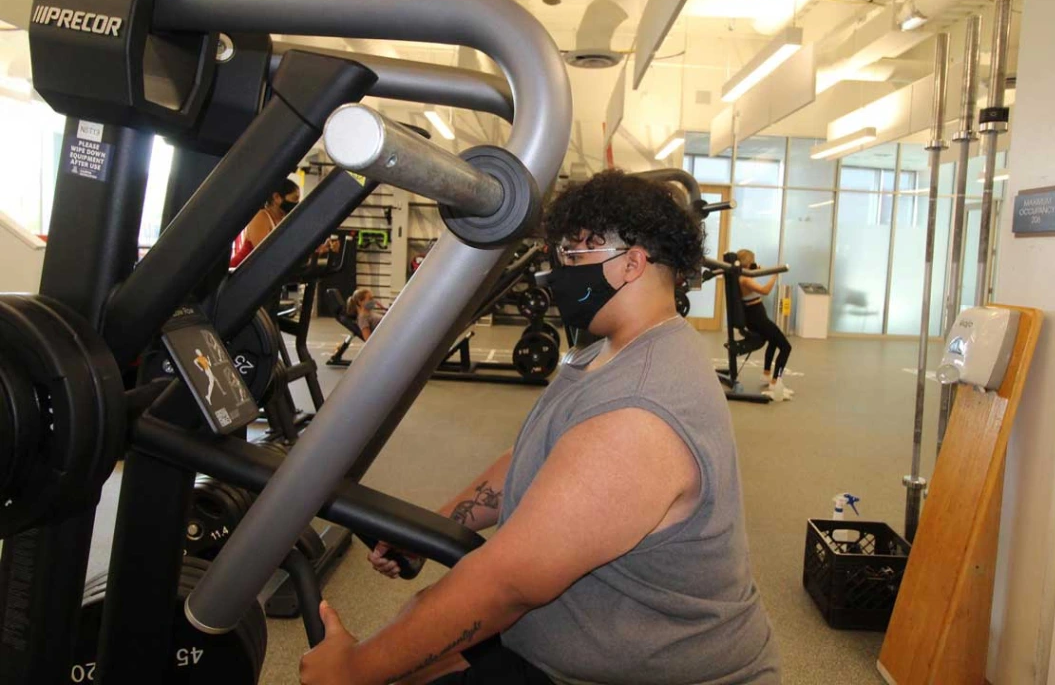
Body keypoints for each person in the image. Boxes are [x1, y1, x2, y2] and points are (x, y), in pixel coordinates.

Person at [300, 169, 780, 685]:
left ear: (631, 265)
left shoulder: (638, 412)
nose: (556, 273)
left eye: (573, 257)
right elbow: (540, 458)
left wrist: (355, 670)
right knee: (419, 632)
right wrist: (434, 527)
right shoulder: (606, 347)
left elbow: (506, 586)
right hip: (568, 641)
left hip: (651, 673)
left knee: (412, 647)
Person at [735, 249, 793, 402]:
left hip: (756, 317)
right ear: (747, 263)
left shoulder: (740, 275)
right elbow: (765, 290)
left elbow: (752, 274)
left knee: (774, 340)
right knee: (786, 347)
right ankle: (776, 383)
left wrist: (756, 270)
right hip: (757, 319)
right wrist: (775, 274)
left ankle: (767, 374)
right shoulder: (745, 279)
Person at [230, 177, 301, 268]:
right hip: (237, 272)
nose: (296, 203)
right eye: (294, 199)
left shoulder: (283, 220)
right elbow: (265, 254)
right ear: (277, 197)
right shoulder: (261, 217)